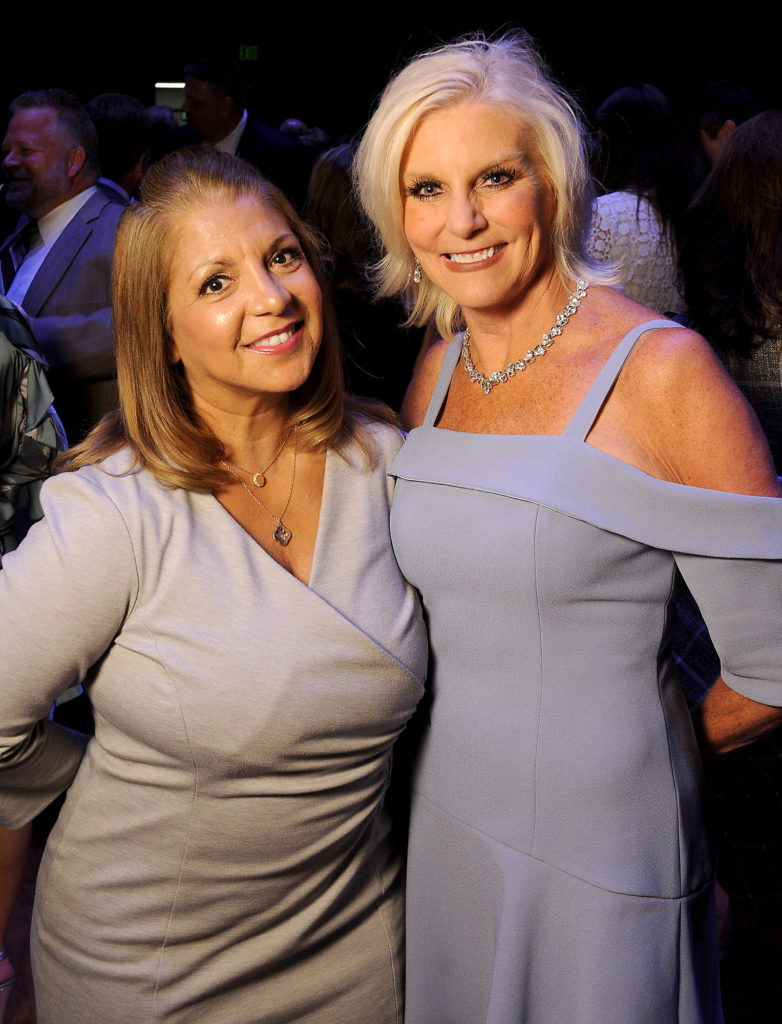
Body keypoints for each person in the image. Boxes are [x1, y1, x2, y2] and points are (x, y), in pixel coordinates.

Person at [354, 35, 782, 1024]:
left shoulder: (660, 370)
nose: (458, 221)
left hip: (603, 840)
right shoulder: (438, 365)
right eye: (424, 189)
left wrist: (646, 748)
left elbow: (772, 663)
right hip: (447, 811)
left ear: (548, 181)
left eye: (492, 178)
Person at [0, 146, 426, 1024]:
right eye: (214, 283)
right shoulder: (117, 513)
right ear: (160, 332)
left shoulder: (391, 470)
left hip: (357, 956)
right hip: (147, 973)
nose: (270, 299)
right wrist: (80, 774)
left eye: (281, 257)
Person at [0, 89, 126, 441]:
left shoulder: (124, 230)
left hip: (85, 467)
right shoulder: (18, 232)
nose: (9, 162)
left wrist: (20, 337)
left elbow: (151, 326)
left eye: (26, 151)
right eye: (7, 152)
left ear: (73, 161)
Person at [587, 83, 699, 312]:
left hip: (617, 346)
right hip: (680, 345)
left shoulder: (603, 213)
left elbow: (577, 304)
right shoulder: (693, 208)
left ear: (611, 143)